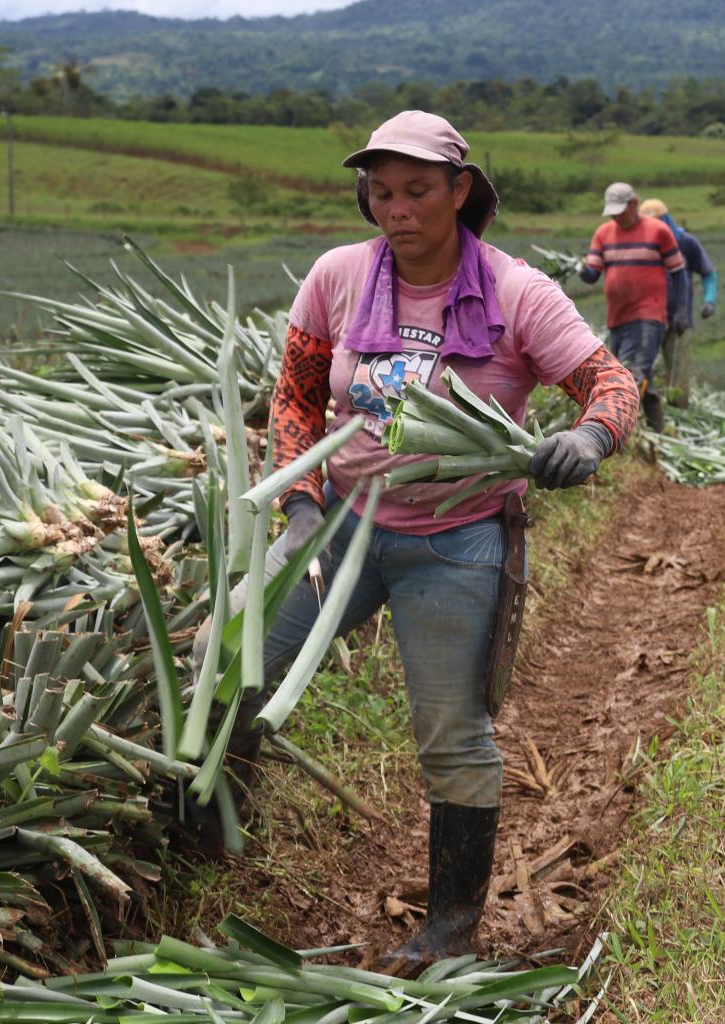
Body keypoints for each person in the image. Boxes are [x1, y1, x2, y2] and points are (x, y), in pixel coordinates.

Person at [253, 110, 640, 969]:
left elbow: (610, 380)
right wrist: (302, 504)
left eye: (419, 190)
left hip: (456, 540)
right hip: (342, 526)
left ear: (461, 191)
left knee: (452, 736)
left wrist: (588, 438)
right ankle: (213, 836)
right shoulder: (338, 276)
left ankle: (452, 925)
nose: (398, 209)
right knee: (232, 656)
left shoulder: (514, 292)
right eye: (381, 192)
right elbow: (295, 395)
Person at [579, 182, 686, 430]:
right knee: (623, 372)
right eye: (613, 211)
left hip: (649, 313)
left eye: (621, 210)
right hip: (617, 316)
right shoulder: (603, 233)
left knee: (633, 371)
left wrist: (679, 311)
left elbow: (678, 272)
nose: (617, 216)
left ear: (634, 204)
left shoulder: (658, 231)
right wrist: (579, 267)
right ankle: (656, 427)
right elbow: (592, 274)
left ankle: (625, 430)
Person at [638, 198, 719, 409]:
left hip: (679, 320)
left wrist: (709, 300)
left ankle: (679, 413)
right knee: (643, 370)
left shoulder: (685, 242)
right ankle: (648, 414)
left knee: (678, 373)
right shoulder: (644, 245)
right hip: (649, 320)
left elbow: (709, 274)